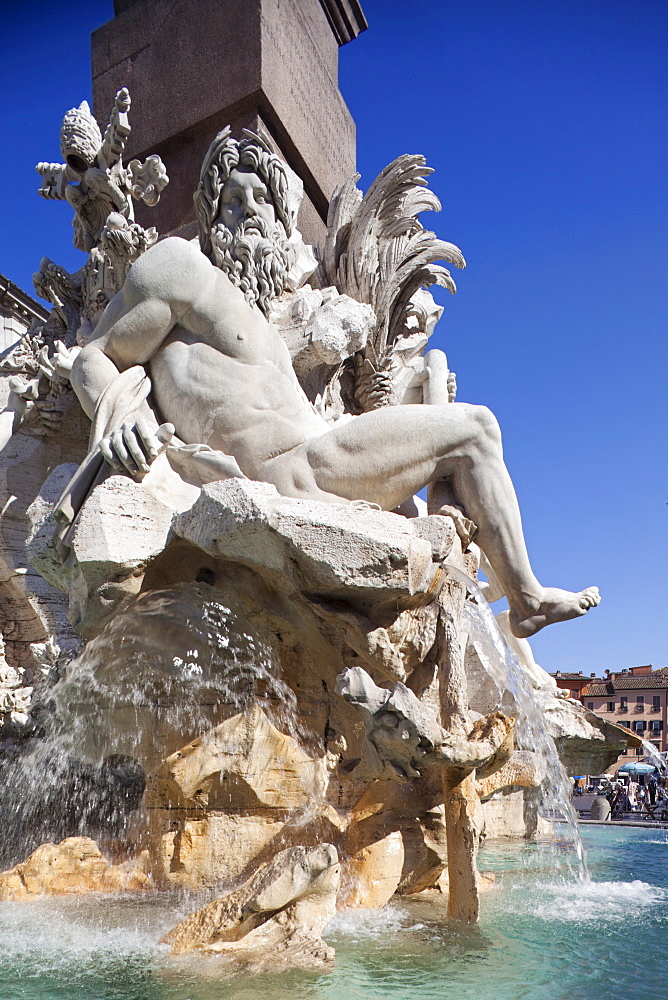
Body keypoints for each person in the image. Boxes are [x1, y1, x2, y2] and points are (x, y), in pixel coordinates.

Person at [68, 129, 600, 640]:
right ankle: (525, 600)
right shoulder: (178, 268)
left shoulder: (263, 327)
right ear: (210, 215)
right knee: (476, 430)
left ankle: (519, 599)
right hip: (291, 470)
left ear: (283, 221)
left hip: (319, 456)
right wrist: (123, 413)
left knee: (467, 436)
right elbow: (92, 357)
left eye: (263, 200)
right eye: (233, 199)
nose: (249, 210)